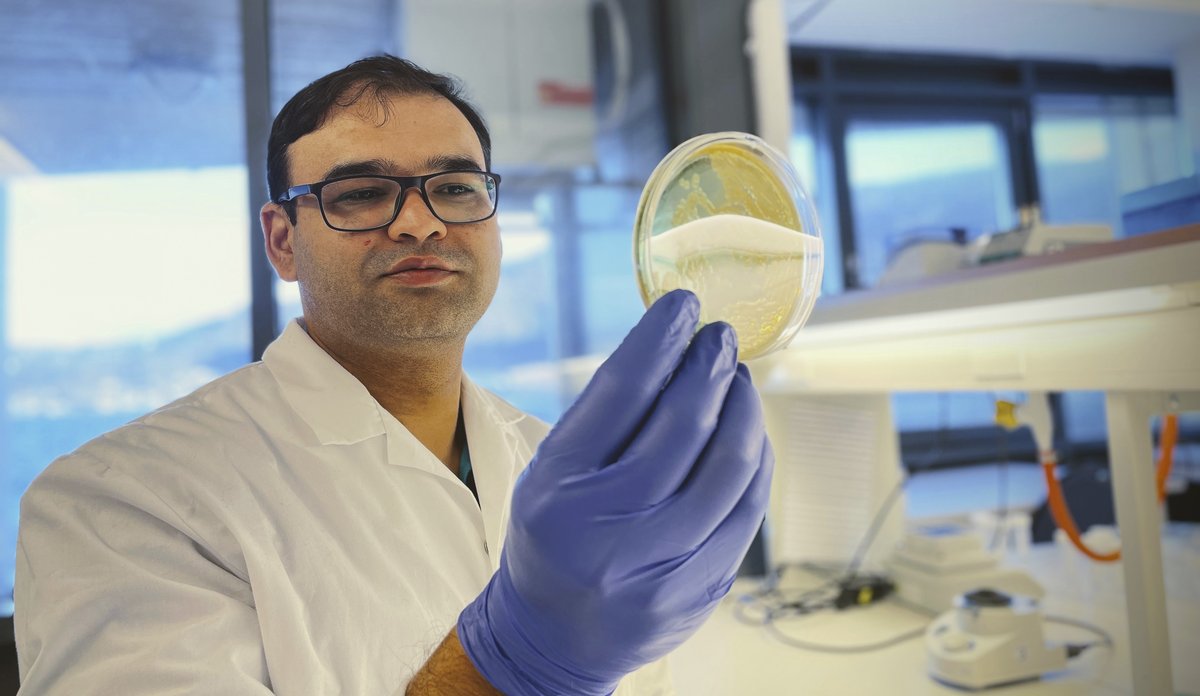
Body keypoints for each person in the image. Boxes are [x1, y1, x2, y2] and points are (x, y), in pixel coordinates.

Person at [13, 55, 772, 695]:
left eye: (456, 187)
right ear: (282, 241)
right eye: (361, 193)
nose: (420, 222)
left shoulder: (564, 470)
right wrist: (514, 662)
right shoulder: (120, 506)